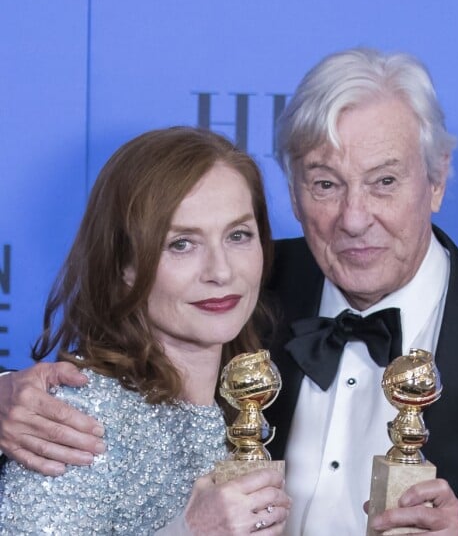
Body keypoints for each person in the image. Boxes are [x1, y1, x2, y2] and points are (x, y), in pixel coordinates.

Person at [1, 48, 458, 535]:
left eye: (384, 181)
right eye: (325, 183)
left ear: (437, 179)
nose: (354, 219)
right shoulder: (245, 292)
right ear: (293, 192)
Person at [0, 126, 290, 534]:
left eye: (238, 235)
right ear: (123, 266)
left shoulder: (238, 411)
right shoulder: (79, 418)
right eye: (181, 244)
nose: (221, 272)